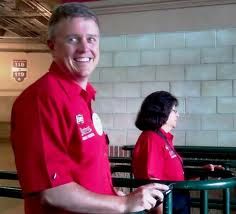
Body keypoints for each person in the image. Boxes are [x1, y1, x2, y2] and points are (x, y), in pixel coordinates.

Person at [10, 3, 168, 214]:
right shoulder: (41, 99)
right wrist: (124, 204)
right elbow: (52, 192)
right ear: (52, 46)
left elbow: (83, 172)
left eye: (91, 39)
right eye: (72, 39)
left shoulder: (82, 98)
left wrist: (112, 196)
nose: (85, 48)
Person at [132, 91, 224, 214]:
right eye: (174, 110)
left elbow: (172, 176)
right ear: (162, 111)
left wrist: (201, 171)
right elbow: (151, 182)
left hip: (176, 202)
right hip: (168, 204)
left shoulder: (163, 138)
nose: (178, 114)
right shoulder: (151, 138)